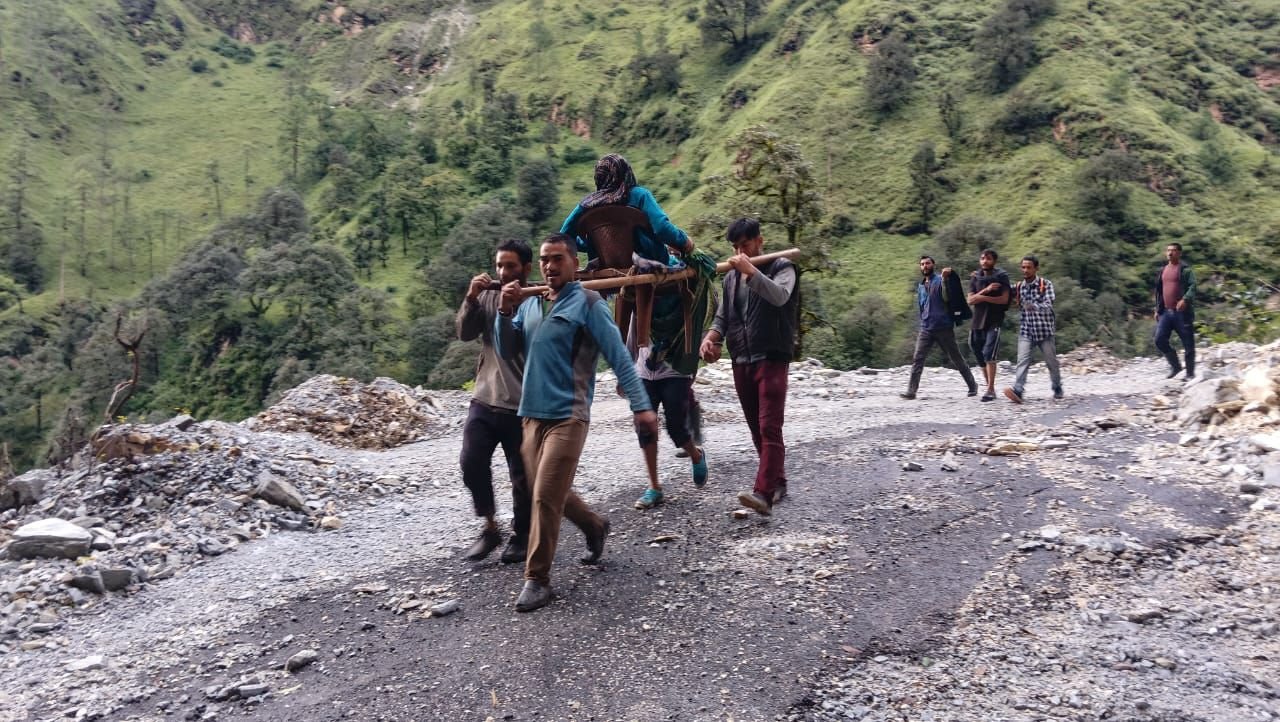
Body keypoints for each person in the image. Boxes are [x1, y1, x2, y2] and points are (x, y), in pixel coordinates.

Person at [495, 233, 659, 613]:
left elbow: (619, 357)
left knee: (543, 496)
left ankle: (537, 579)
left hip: (568, 415)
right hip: (530, 414)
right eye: (544, 260)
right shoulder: (531, 303)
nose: (549, 266)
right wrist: (504, 313)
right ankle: (594, 526)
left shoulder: (589, 303)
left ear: (574, 263)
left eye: (557, 259)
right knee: (549, 491)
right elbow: (507, 350)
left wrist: (642, 407)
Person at [698, 218, 797, 516]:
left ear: (759, 241)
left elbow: (780, 297)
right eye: (736, 247)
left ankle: (763, 494)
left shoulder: (782, 267)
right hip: (741, 359)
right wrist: (711, 339)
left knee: (769, 426)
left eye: (746, 245)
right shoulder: (730, 278)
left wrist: (752, 272)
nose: (740, 252)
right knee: (756, 428)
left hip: (772, 355)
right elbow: (723, 317)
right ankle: (778, 481)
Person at [455, 240, 536, 563]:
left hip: (522, 404)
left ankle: (522, 535)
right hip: (485, 397)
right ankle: (490, 527)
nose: (503, 272)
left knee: (522, 476)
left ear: (526, 269)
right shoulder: (487, 296)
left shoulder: (538, 300)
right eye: (499, 265)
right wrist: (471, 298)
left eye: (510, 266)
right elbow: (464, 333)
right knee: (471, 461)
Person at [560, 153, 695, 264]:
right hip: (650, 261)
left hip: (603, 265)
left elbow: (564, 237)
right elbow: (662, 229)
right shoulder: (640, 195)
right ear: (626, 172)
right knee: (687, 266)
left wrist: (595, 243)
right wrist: (685, 241)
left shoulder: (587, 204)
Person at [902, 256, 979, 400]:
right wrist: (923, 319)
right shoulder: (921, 286)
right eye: (922, 264)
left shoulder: (941, 280)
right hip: (926, 327)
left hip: (943, 327)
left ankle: (972, 385)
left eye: (927, 263)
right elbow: (922, 306)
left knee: (956, 357)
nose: (925, 266)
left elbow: (950, 294)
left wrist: (947, 276)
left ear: (933, 265)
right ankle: (911, 391)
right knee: (918, 358)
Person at [1003, 255, 1063, 403]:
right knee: (1022, 361)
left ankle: (1057, 387)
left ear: (1036, 268)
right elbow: (1003, 289)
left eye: (1029, 267)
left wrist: (1034, 306)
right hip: (1026, 330)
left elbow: (1048, 304)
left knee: (1051, 363)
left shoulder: (1045, 284)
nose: (1025, 270)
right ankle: (1018, 390)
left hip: (1044, 331)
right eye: (1023, 267)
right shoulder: (1018, 287)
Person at [967, 249, 1012, 402]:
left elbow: (1004, 300)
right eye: (982, 258)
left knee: (989, 353)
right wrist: (986, 291)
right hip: (977, 320)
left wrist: (982, 298)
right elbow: (970, 300)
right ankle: (988, 387)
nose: (985, 261)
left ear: (994, 261)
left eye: (988, 259)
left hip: (994, 320)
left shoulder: (1002, 276)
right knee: (977, 351)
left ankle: (991, 389)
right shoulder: (976, 277)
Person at [1154, 242, 1196, 380]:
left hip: (1182, 313)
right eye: (1168, 250)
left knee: (1188, 343)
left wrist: (1185, 299)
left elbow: (1192, 286)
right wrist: (1157, 309)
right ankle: (1176, 366)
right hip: (1166, 312)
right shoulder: (1163, 270)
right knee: (1159, 340)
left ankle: (1190, 374)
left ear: (1179, 253)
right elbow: (1159, 291)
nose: (1170, 253)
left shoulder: (1185, 270)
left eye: (1173, 250)